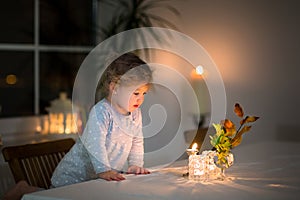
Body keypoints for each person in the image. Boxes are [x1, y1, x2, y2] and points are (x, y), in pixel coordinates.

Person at [51, 52, 152, 187]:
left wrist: (135, 165)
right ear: (114, 87)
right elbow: (96, 144)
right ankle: (23, 189)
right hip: (74, 177)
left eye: (144, 93)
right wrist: (103, 170)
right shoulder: (102, 112)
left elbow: (137, 140)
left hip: (98, 181)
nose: (140, 99)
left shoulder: (135, 114)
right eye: (136, 93)